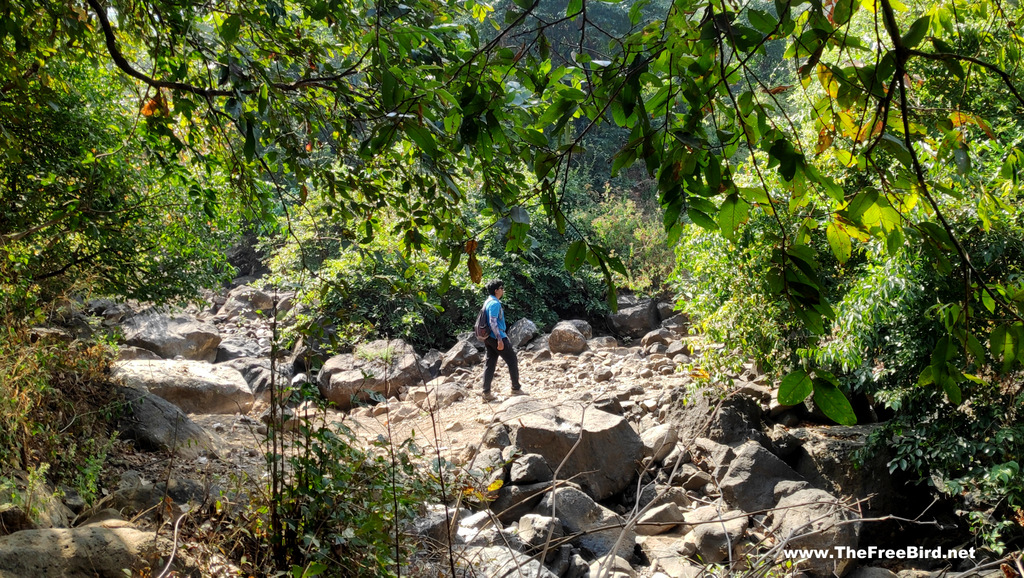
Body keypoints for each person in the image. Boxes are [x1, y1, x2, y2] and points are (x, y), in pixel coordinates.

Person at [480, 279, 525, 401]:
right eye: (501, 288)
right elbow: (492, 321)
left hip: (488, 337)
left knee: (490, 363)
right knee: (512, 359)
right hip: (496, 336)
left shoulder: (487, 301)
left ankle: (486, 393)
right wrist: (499, 338)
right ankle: (515, 388)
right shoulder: (495, 303)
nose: (503, 290)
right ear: (496, 290)